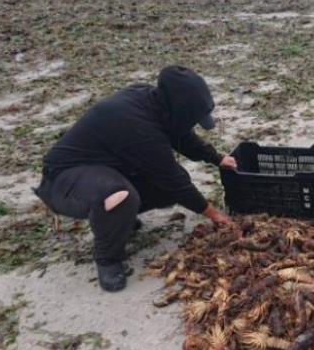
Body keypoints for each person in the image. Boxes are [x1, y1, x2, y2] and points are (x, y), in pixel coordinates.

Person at [35, 66, 236, 292]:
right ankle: (107, 259)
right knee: (120, 196)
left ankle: (120, 220)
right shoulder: (138, 124)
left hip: (103, 169)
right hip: (64, 180)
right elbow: (173, 179)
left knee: (162, 189)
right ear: (179, 109)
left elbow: (181, 135)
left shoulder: (156, 102)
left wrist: (216, 158)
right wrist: (215, 215)